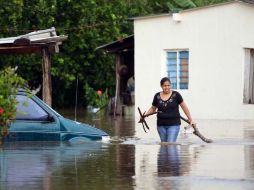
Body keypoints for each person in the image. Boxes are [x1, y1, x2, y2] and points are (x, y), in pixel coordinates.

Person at [144, 77, 195, 142]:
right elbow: (153, 108)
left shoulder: (176, 95)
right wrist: (145, 115)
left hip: (174, 125)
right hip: (161, 125)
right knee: (164, 145)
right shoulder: (157, 96)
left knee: (170, 144)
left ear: (170, 85)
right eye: (165, 86)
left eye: (168, 85)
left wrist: (190, 119)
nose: (167, 87)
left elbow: (184, 107)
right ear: (161, 86)